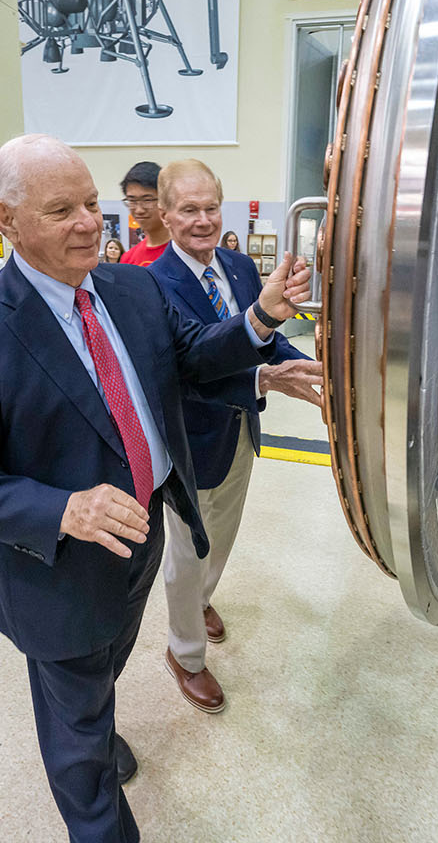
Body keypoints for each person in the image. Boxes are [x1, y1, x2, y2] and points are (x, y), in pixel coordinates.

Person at [0, 134, 312, 843]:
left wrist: (262, 317)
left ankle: (92, 727)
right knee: (76, 735)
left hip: (144, 533)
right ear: (6, 220)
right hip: (59, 565)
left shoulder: (130, 287)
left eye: (92, 203)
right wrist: (62, 508)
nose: (89, 222)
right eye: (61, 209)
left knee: (106, 668)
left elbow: (190, 357)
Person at [148, 160, 320, 712]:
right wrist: (260, 375)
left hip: (242, 430)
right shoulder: (153, 284)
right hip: (189, 440)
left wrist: (308, 369)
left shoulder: (243, 268)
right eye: (189, 210)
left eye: (210, 208)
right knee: (186, 551)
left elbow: (266, 341)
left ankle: (199, 603)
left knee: (221, 538)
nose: (202, 221)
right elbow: (188, 363)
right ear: (166, 215)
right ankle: (185, 653)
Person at [118, 161, 169, 266]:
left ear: (164, 199)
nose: (139, 210)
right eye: (132, 201)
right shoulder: (128, 259)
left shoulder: (184, 251)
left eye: (147, 200)